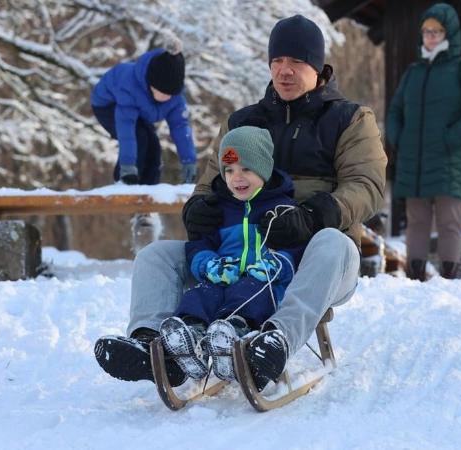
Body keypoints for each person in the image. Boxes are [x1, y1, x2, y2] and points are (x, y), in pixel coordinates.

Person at [94, 14, 387, 392]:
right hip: (241, 253)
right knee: (156, 256)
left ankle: (274, 343)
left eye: (296, 62)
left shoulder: (349, 119)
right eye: (277, 61)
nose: (285, 71)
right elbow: (208, 184)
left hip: (316, 256)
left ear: (318, 67)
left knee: (332, 242)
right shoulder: (243, 123)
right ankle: (155, 348)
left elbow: (367, 184)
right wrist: (198, 210)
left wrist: (315, 215)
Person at [158, 126, 304, 383]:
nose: (237, 178)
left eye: (246, 169)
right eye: (229, 170)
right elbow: (199, 243)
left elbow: (297, 245)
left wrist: (277, 263)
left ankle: (235, 335)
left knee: (248, 292)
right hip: (224, 277)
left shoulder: (284, 209)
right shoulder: (218, 209)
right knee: (200, 294)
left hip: (264, 283)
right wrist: (209, 264)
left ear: (264, 169)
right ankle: (190, 335)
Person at [385, 3, 461, 281]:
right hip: (414, 160)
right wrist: (398, 138)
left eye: (437, 31)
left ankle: (448, 276)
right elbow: (395, 111)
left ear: (449, 33)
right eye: (426, 31)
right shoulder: (413, 72)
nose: (430, 36)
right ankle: (415, 274)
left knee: (448, 220)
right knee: (416, 220)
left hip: (448, 158)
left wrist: (451, 137)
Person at [90, 38, 197, 185]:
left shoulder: (174, 98)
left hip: (140, 107)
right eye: (163, 92)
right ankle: (123, 183)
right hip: (108, 105)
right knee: (139, 137)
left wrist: (189, 161)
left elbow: (181, 127)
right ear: (151, 84)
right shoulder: (129, 89)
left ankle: (149, 190)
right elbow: (126, 131)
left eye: (171, 93)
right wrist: (127, 167)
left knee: (153, 145)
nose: (167, 97)